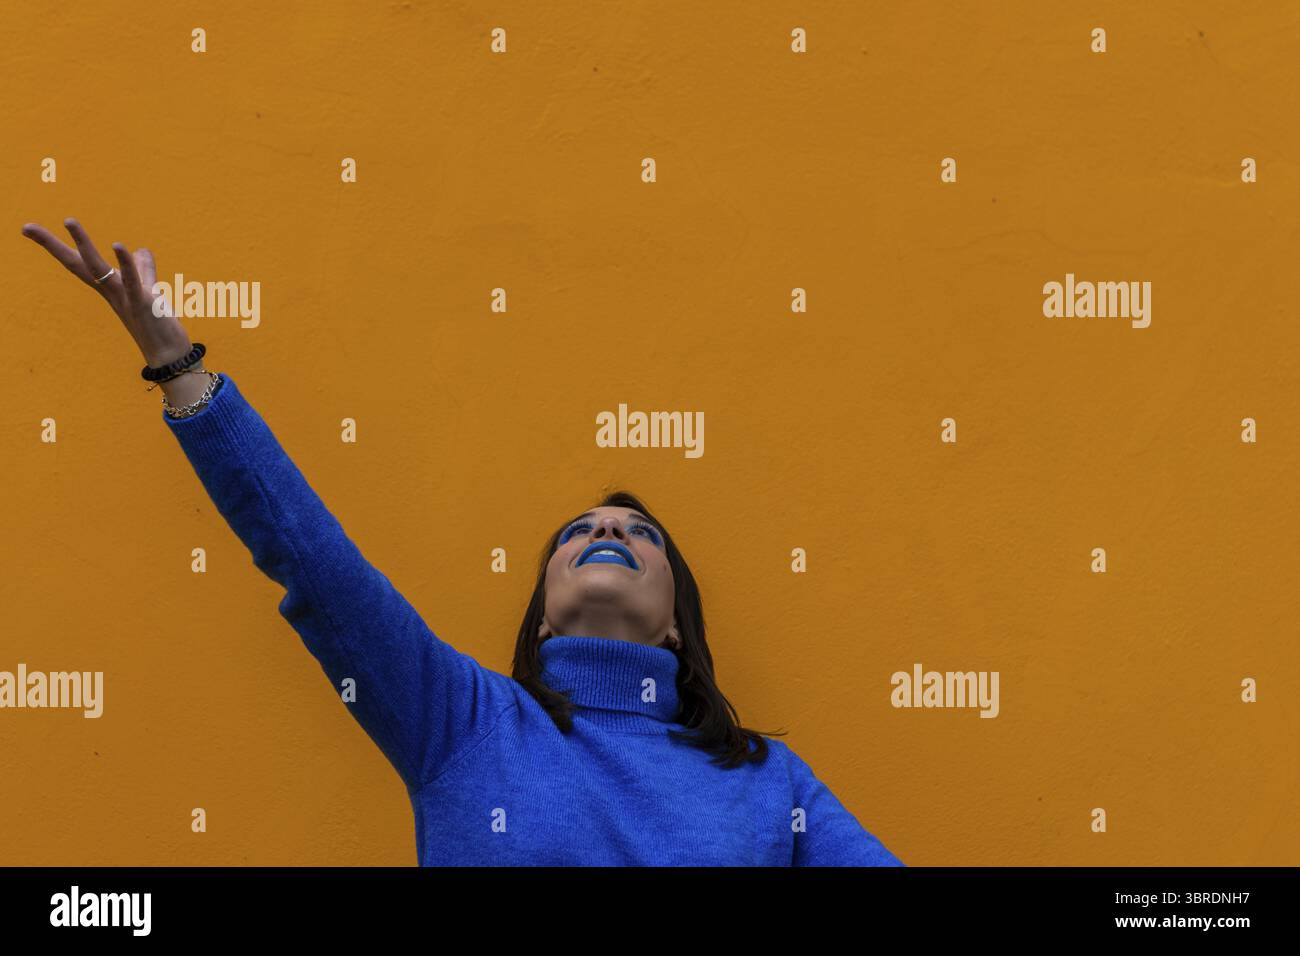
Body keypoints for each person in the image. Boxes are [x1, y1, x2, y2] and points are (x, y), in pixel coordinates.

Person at [21, 218, 905, 867]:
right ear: (545, 619)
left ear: (677, 624)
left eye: (641, 535)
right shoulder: (466, 722)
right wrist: (181, 371)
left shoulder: (766, 779)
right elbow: (318, 568)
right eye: (581, 532)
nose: (607, 532)